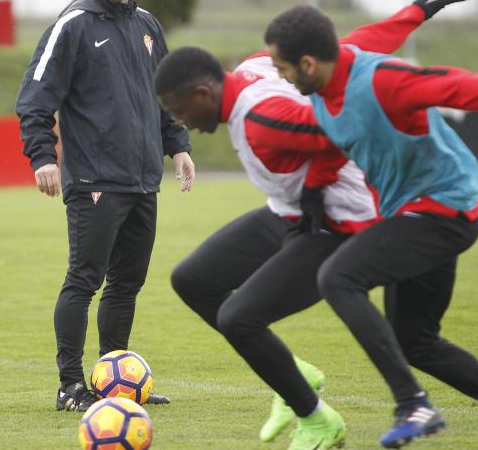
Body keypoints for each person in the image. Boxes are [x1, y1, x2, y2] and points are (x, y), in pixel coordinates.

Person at [263, 0, 478, 449]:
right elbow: (378, 34)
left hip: (444, 209)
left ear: (307, 63)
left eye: (281, 68)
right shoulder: (326, 73)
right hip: (411, 214)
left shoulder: (381, 82)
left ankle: (412, 404)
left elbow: (455, 85)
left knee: (338, 278)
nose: (279, 76)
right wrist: (420, 8)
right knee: (413, 340)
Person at [155, 45, 385, 449]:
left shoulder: (261, 117)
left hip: (338, 221)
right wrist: (415, 13)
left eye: (179, 112)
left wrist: (316, 185)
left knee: (238, 318)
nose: (180, 123)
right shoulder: (256, 66)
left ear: (203, 95)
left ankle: (317, 420)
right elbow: (340, 46)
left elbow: (345, 126)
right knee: (192, 280)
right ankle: (293, 375)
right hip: (291, 212)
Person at [15, 0, 194, 413]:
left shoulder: (147, 24)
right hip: (93, 180)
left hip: (141, 179)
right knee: (84, 280)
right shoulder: (72, 24)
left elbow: (163, 98)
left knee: (127, 284)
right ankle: (70, 385)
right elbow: (34, 98)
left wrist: (177, 146)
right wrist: (43, 157)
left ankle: (115, 382)